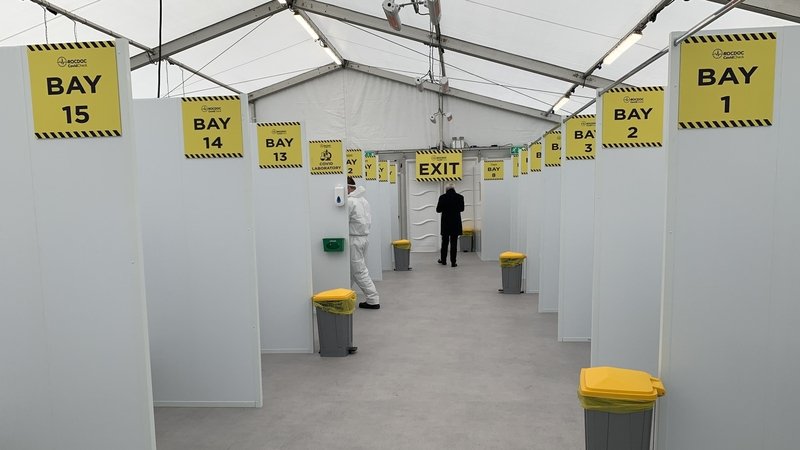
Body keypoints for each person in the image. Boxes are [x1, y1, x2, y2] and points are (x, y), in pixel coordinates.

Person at [347, 176, 380, 309]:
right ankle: (344, 295)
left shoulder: (350, 201)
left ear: (348, 187)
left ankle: (373, 299)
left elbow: (341, 220)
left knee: (359, 271)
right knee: (352, 271)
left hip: (354, 239)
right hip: (363, 238)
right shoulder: (363, 200)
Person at [436, 183, 465, 267]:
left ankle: (443, 260)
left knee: (444, 242)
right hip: (455, 223)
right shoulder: (460, 197)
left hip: (445, 223)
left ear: (446, 189)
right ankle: (453, 262)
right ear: (454, 189)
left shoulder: (442, 197)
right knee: (454, 242)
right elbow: (462, 209)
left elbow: (438, 210)